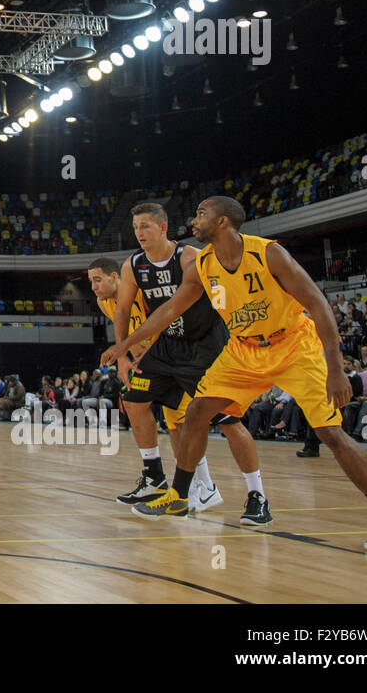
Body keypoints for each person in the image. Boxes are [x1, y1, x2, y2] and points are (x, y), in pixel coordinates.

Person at [102, 196, 367, 551]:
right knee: (198, 411)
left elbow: (317, 303)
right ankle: (178, 495)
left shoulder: (269, 254)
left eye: (202, 214)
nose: (194, 220)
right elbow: (172, 308)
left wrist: (336, 367)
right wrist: (125, 343)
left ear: (223, 222)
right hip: (244, 350)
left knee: (330, 433)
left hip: (294, 345)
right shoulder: (202, 262)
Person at [104, 206, 268, 523]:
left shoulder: (190, 257)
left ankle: (256, 494)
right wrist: (122, 355)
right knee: (133, 398)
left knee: (229, 422)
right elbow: (122, 309)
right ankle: (154, 475)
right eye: (136, 226)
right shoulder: (133, 265)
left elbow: (205, 300)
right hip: (167, 347)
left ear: (164, 227)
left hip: (206, 348)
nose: (139, 232)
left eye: (146, 226)